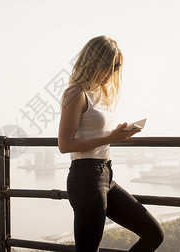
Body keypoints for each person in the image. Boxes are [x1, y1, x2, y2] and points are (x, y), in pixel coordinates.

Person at [58, 35, 164, 251]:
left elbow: (97, 134)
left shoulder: (101, 94)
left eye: (116, 67)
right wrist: (110, 138)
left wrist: (118, 134)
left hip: (106, 175)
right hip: (86, 177)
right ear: (94, 62)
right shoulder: (76, 93)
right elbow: (65, 144)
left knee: (154, 234)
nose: (112, 72)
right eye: (109, 66)